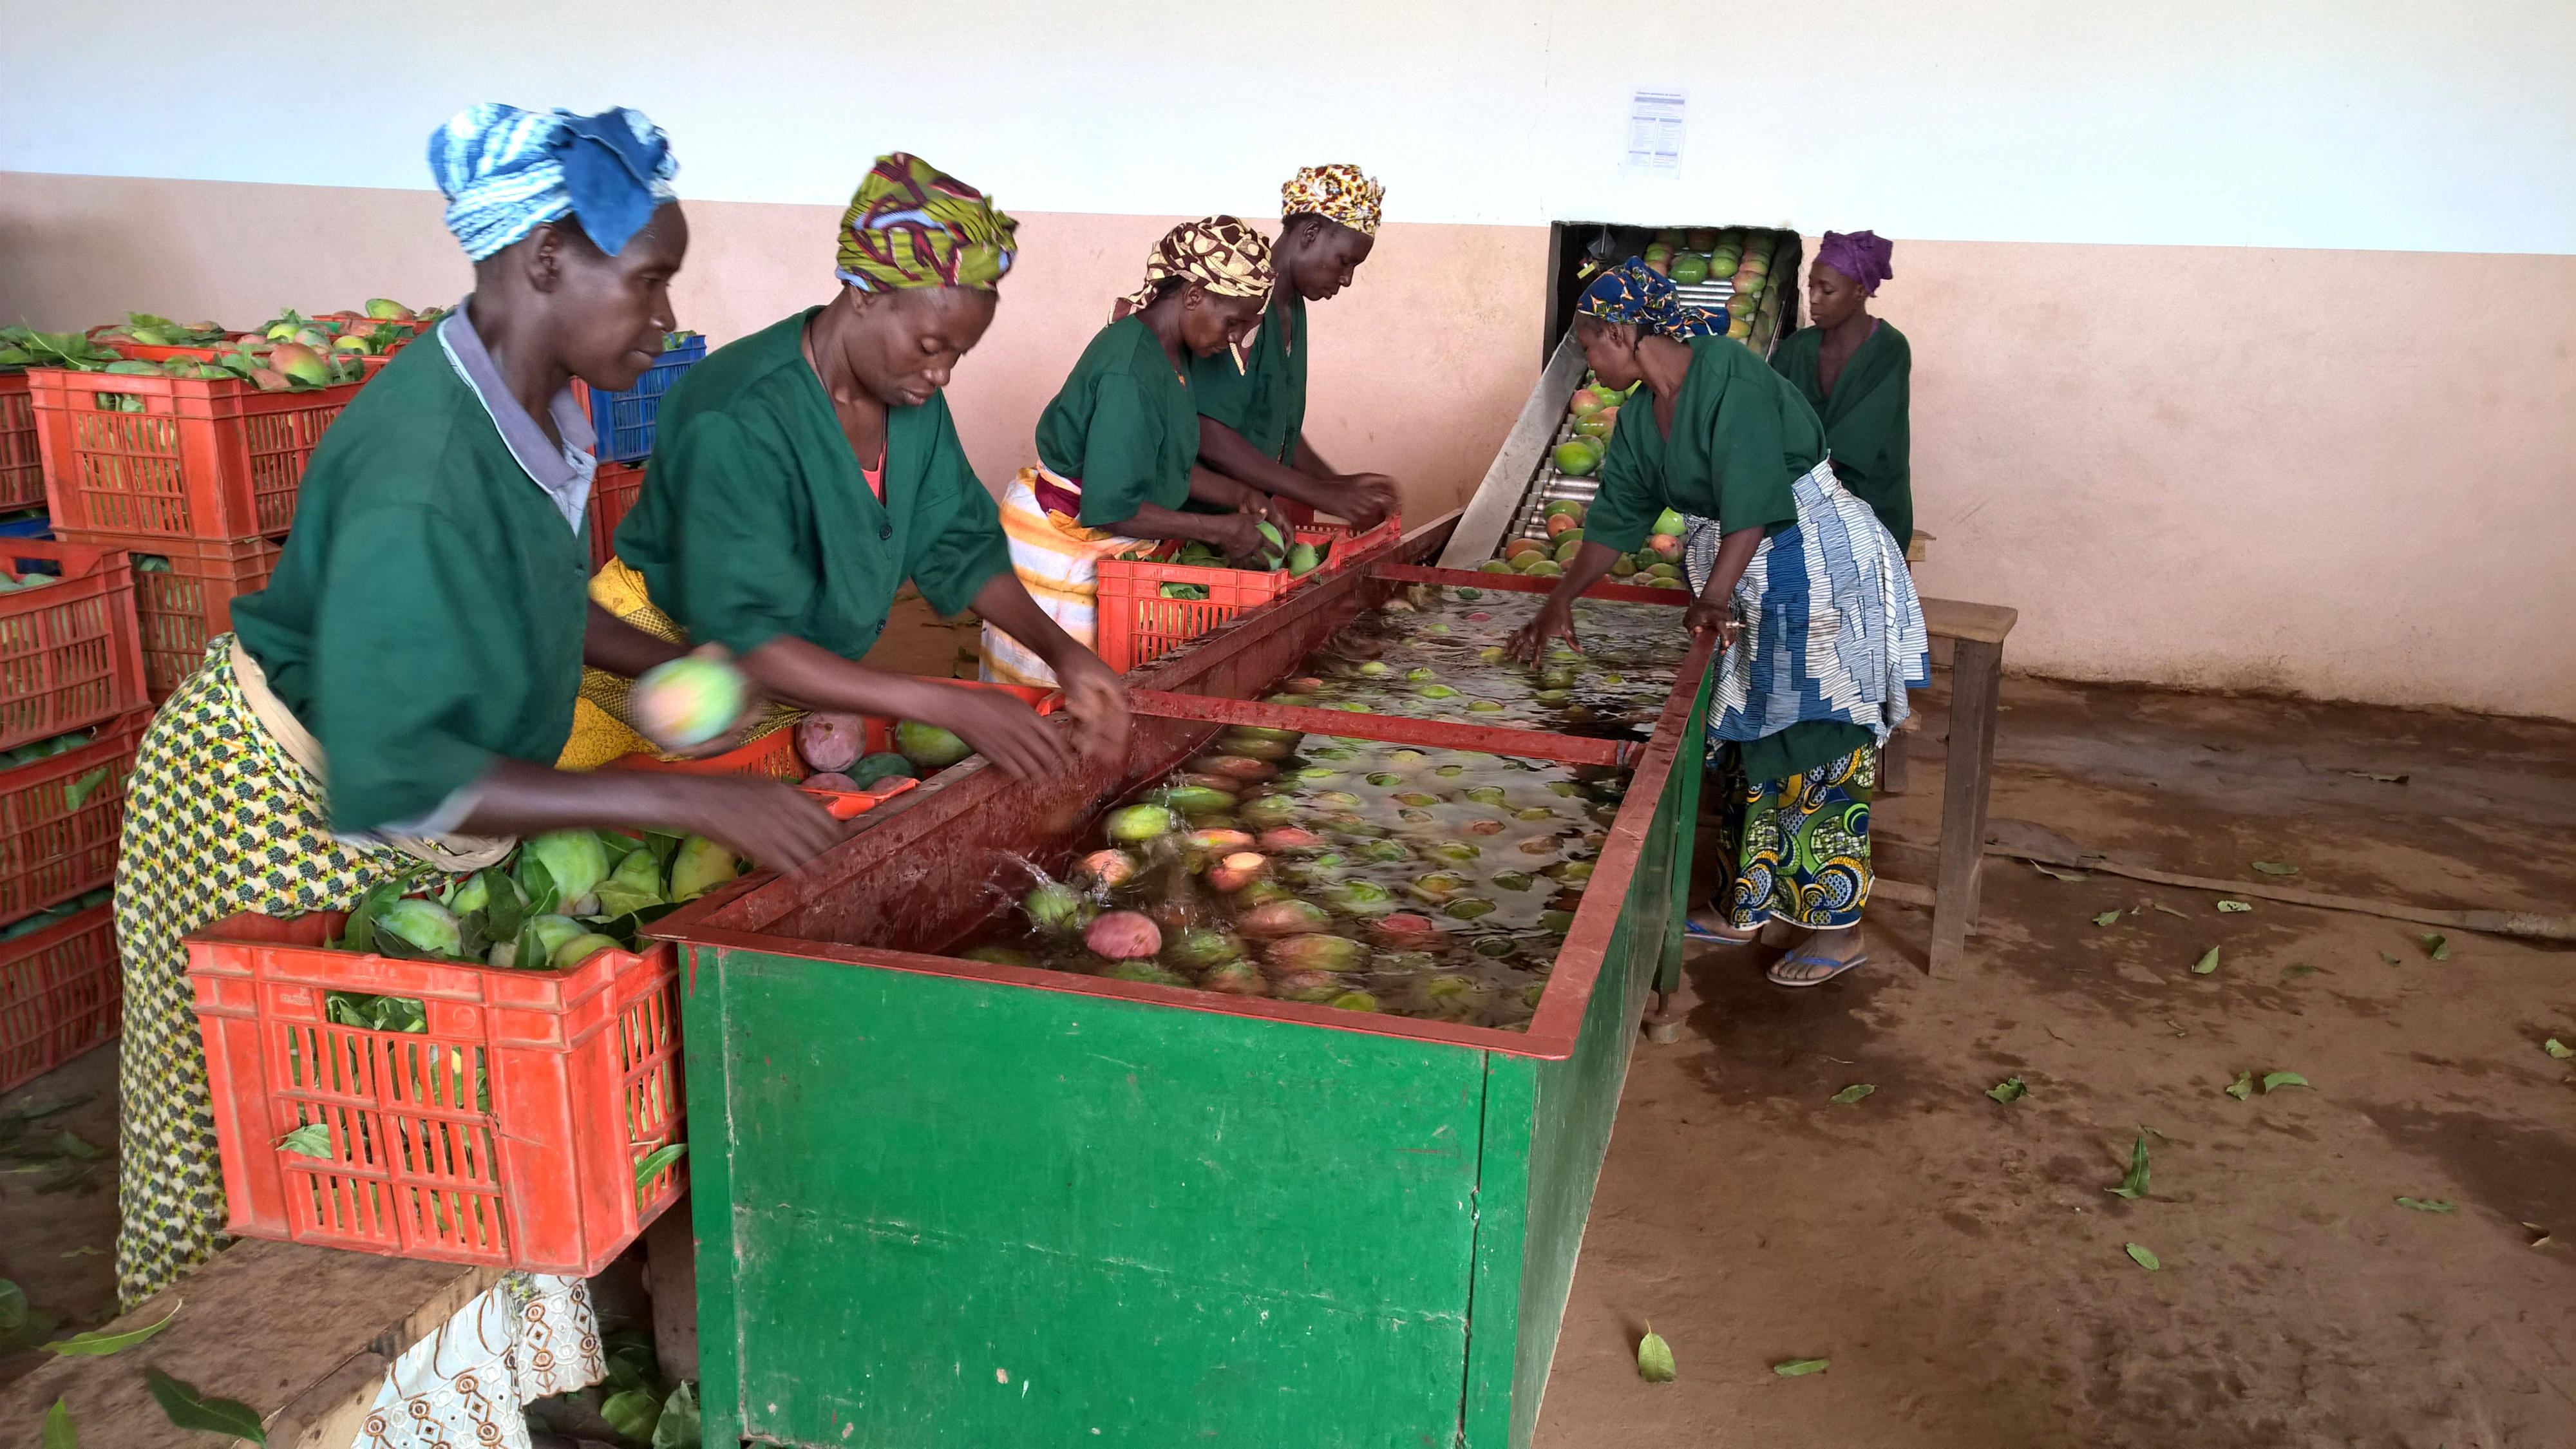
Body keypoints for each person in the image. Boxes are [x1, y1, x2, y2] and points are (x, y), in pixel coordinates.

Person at [111, 102, 844, 1419]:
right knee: (275, 1141)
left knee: (405, 1125)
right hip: (271, 793)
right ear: (545, 260)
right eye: (652, 280)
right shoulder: (418, 472)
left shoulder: (524, 395)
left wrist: (653, 673)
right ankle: (222, 1401)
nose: (669, 321)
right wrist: (673, 792)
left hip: (389, 771)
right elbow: (400, 777)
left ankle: (451, 1400)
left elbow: (542, 587)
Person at [598, 153, 1126, 769]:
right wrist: (946, 703)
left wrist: (1064, 654)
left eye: (959, 353)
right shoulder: (740, 412)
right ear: (864, 294)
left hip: (788, 681)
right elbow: (744, 631)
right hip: (657, 673)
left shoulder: (910, 402)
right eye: (930, 346)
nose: (941, 373)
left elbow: (957, 544)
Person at [1509, 260, 1926, 987]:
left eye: (1587, 345)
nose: (1584, 361)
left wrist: (1712, 597)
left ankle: (1836, 926)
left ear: (1620, 331)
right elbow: (1615, 521)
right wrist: (1561, 597)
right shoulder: (1642, 415)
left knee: (1817, 736)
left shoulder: (1728, 373)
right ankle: (1749, 901)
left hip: (1818, 566)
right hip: (1747, 576)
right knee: (1750, 731)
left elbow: (1757, 497)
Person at [983, 217, 1276, 686]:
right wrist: (1217, 529)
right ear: (1195, 297)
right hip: (1063, 552)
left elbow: (1159, 462)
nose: (1234, 338)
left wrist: (1239, 495)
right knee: (1053, 703)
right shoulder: (1130, 373)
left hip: (1092, 537)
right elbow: (1111, 506)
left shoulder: (1166, 354)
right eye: (1234, 321)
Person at [1187, 165, 1397, 531]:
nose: (1346, 279)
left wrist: (1336, 484)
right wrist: (1320, 493)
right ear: (1310, 233)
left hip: (1243, 522)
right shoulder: (1240, 307)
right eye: (1344, 262)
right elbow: (1208, 433)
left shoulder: (1291, 308)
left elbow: (1274, 420)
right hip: (1196, 518)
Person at [1770, 230, 1909, 551]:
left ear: (1859, 291)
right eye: (1811, 287)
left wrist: (1783, 491)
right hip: (1799, 501)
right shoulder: (1796, 350)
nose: (1814, 299)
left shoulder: (1889, 350)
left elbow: (1856, 440)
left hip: (1870, 507)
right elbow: (1769, 418)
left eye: (1827, 290)